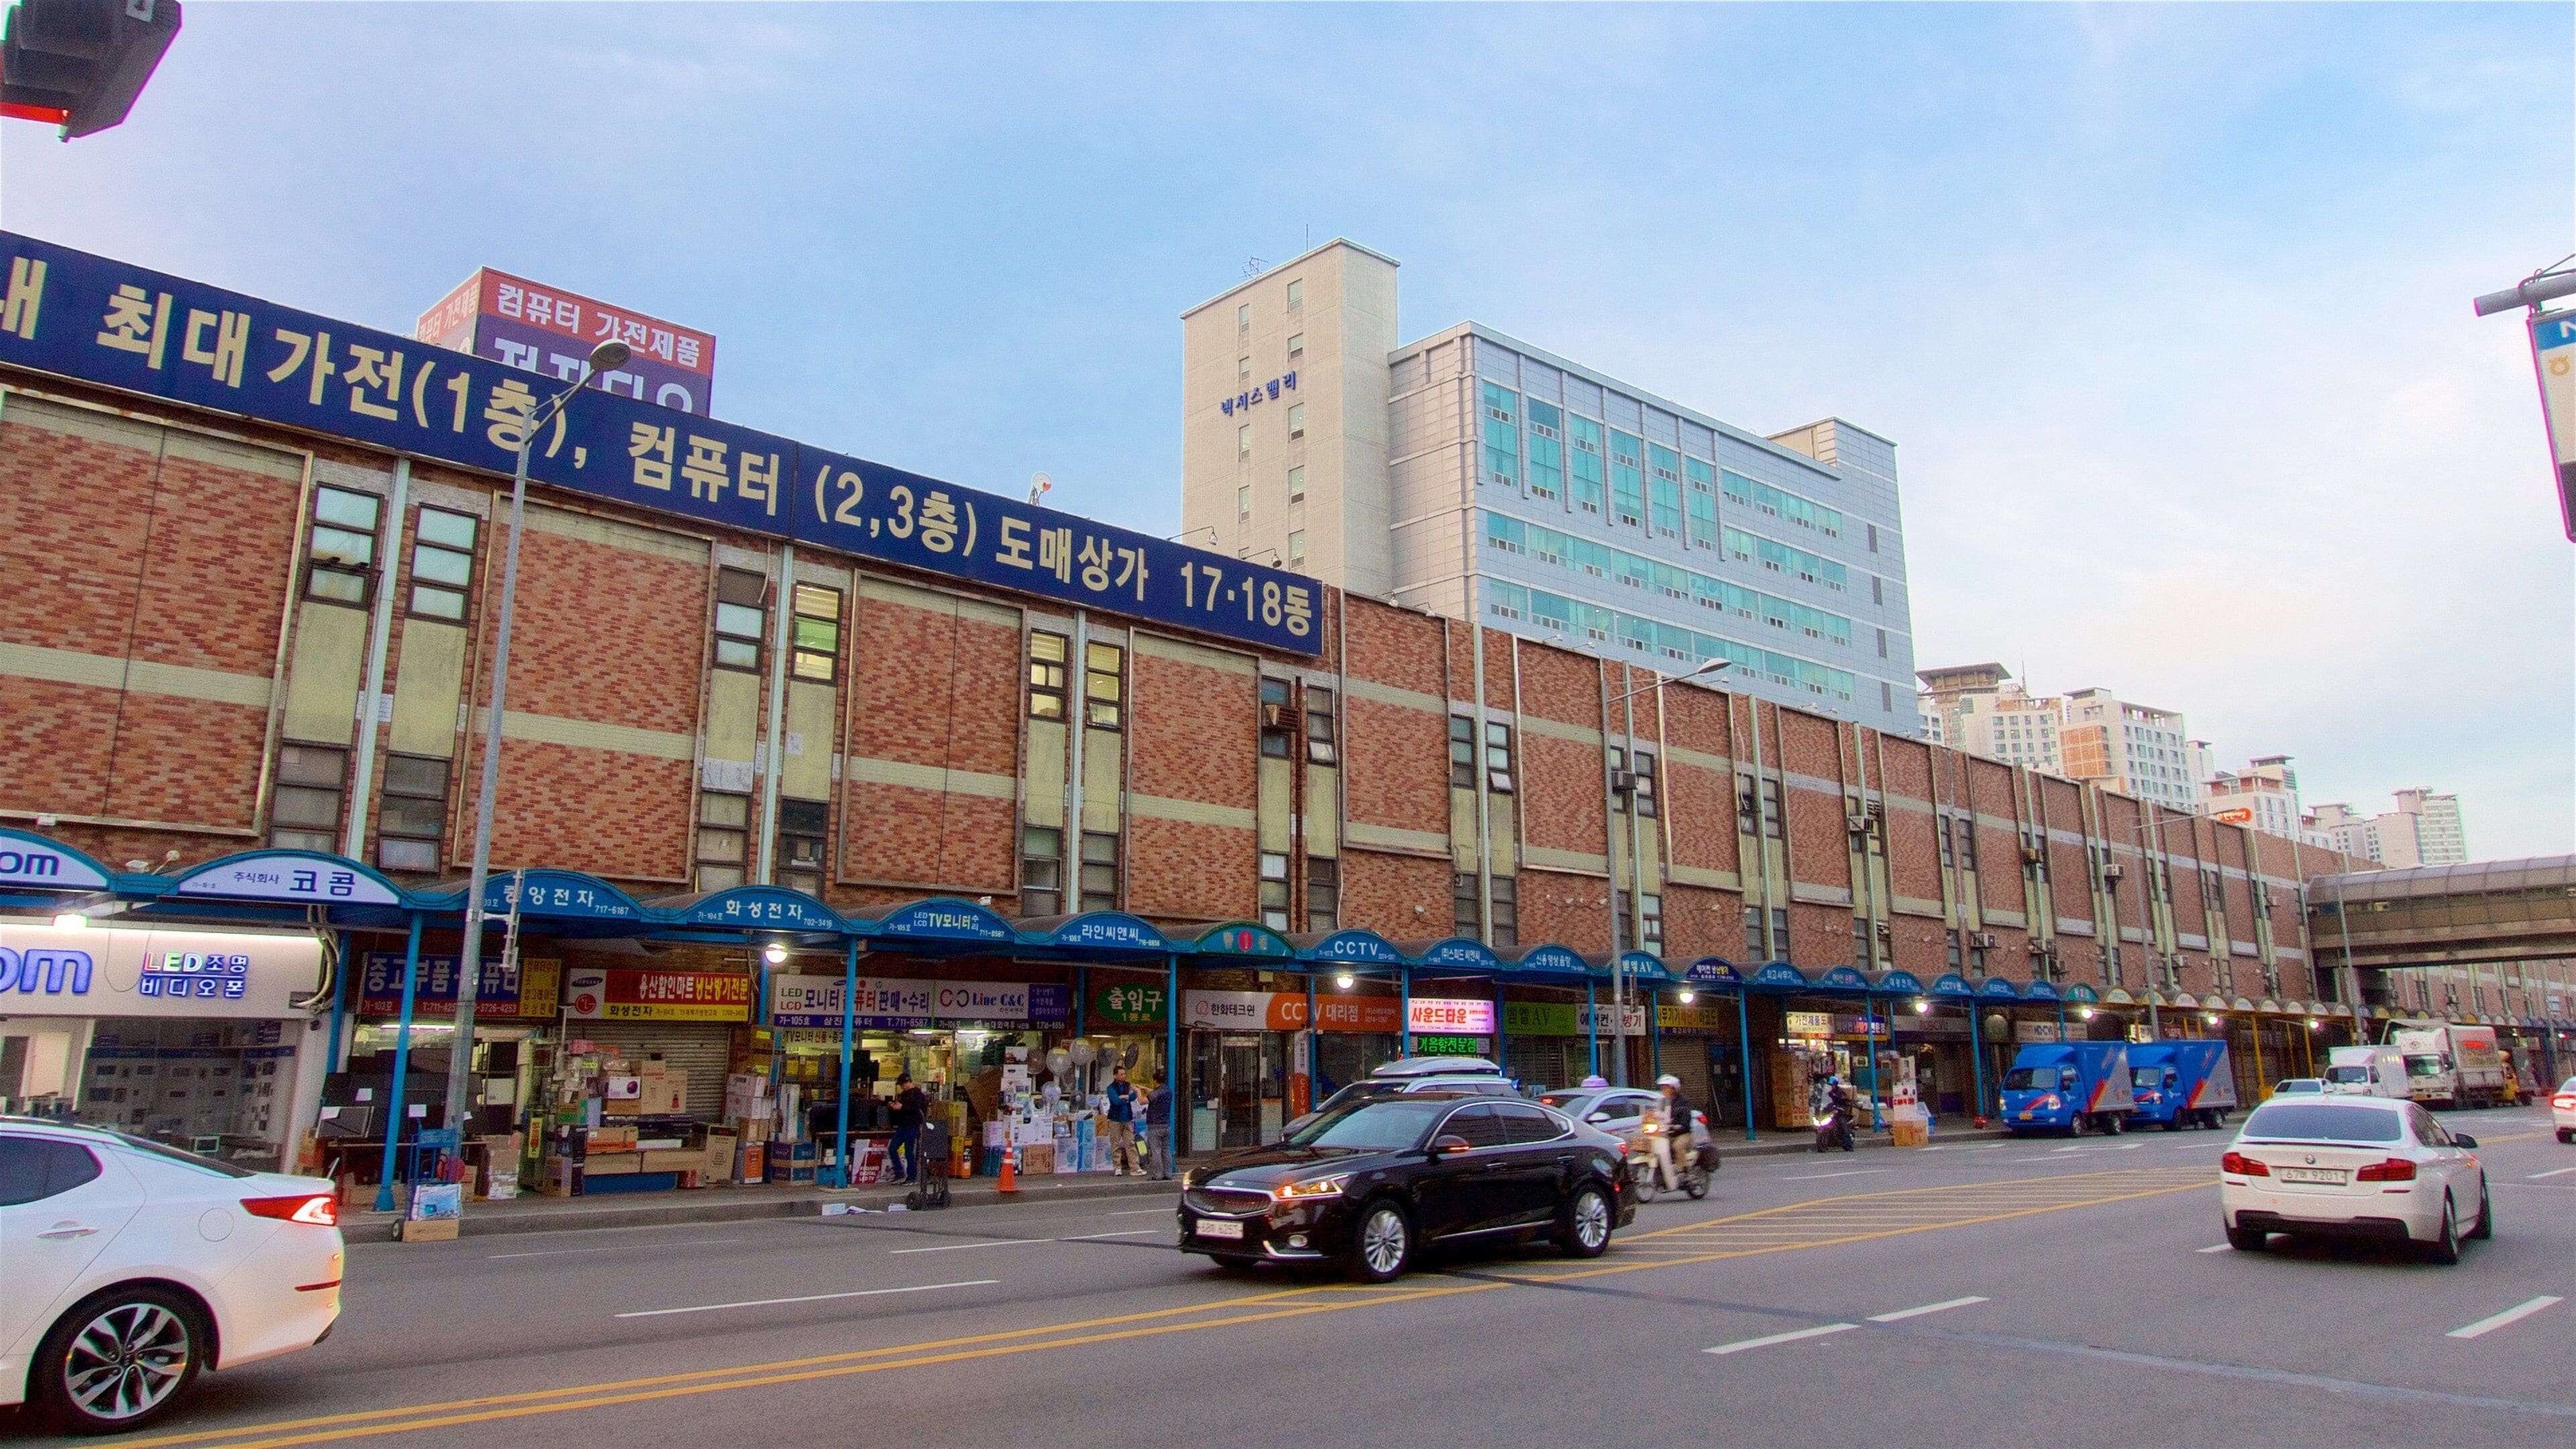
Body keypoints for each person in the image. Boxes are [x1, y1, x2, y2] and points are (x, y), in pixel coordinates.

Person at [1648, 1073, 1693, 1191]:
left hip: (1683, 1134)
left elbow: (1686, 1121)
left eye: (1666, 1088)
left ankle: (1684, 1173)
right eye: (1662, 1088)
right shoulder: (1662, 1102)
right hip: (1668, 1133)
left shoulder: (1683, 1102)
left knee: (1677, 1146)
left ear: (1673, 1089)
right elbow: (1657, 1114)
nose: (1664, 1091)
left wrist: (1677, 1126)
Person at [890, 1072, 927, 1183]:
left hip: (913, 1125)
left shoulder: (918, 1095)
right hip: (903, 1125)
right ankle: (899, 1172)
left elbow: (917, 1109)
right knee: (892, 1148)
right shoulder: (903, 1095)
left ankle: (911, 1176)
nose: (902, 1087)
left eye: (902, 1085)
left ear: (907, 1083)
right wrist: (894, 1107)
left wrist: (902, 1108)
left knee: (909, 1151)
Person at [1104, 1065, 1140, 1175]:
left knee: (1130, 1143)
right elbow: (1115, 1101)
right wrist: (1127, 1098)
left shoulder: (1128, 1085)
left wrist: (1123, 1097)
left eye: (1124, 1074)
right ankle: (1117, 1167)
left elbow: (1134, 1096)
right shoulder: (1111, 1088)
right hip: (1115, 1119)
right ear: (1115, 1076)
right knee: (1116, 1144)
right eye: (1121, 1074)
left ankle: (1135, 1167)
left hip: (1127, 1118)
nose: (1124, 1076)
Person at [1144, 1071, 1175, 1180]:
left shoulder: (1155, 1094)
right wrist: (1144, 1088)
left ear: (1155, 1081)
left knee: (1156, 1151)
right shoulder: (1168, 1091)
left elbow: (1142, 1101)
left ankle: (1157, 1175)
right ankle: (1168, 1174)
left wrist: (1138, 1091)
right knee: (1166, 1150)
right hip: (1166, 1125)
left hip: (1155, 1126)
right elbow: (1154, 1093)